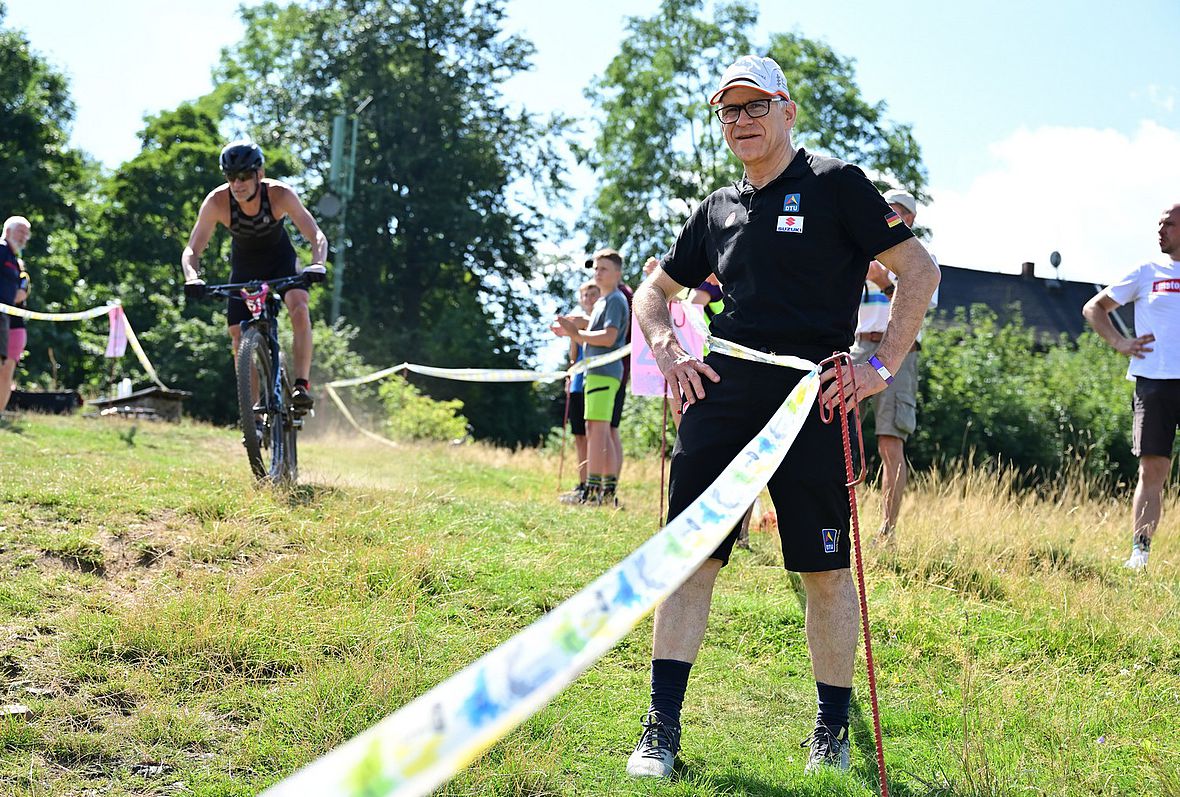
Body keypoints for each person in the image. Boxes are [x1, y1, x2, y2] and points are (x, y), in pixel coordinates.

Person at [626, 55, 939, 778]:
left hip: (814, 396)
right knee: (692, 558)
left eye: (753, 107)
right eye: (728, 111)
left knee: (824, 569)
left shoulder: (837, 185)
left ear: (787, 109)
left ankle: (830, 730)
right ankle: (660, 728)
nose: (740, 121)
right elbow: (653, 292)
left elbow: (919, 272)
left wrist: (879, 367)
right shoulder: (716, 209)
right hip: (723, 392)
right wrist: (672, 351)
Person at [181, 141, 328, 410]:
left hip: (280, 260)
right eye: (230, 177)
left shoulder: (279, 194)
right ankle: (254, 414)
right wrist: (192, 277)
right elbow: (192, 249)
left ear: (259, 174)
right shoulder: (217, 201)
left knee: (299, 306)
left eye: (244, 176)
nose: (237, 184)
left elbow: (315, 235)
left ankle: (301, 385)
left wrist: (317, 264)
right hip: (245, 266)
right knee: (238, 335)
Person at [1082, 203, 1180, 570]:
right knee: (1152, 470)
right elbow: (1094, 308)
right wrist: (1121, 343)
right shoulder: (1145, 272)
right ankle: (1140, 553)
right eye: (1159, 224)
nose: (1161, 230)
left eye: (1169, 224)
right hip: (1153, 382)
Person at [851, 190, 938, 544]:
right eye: (887, 210)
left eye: (898, 213)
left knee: (890, 440)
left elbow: (920, 308)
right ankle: (839, 517)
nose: (890, 217)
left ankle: (887, 531)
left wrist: (887, 284)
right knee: (840, 434)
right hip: (857, 345)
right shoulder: (860, 252)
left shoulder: (923, 259)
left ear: (911, 220)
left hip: (899, 352)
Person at [556, 249, 630, 505]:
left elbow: (609, 337)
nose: (597, 273)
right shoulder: (603, 301)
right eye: (596, 269)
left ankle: (595, 492)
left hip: (604, 373)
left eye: (604, 269)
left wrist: (575, 334)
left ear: (618, 274)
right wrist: (576, 326)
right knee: (596, 430)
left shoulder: (615, 300)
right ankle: (603, 493)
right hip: (597, 373)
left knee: (597, 432)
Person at [553, 279, 601, 503]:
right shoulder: (577, 321)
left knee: (594, 435)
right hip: (577, 384)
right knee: (579, 436)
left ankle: (595, 483)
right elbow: (574, 356)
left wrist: (583, 326)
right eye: (585, 295)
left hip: (595, 382)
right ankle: (581, 483)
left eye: (593, 294)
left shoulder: (599, 319)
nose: (589, 299)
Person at [0, 216, 32, 414]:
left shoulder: (16, 262)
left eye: (27, 234)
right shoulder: (1, 250)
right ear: (8, 230)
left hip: (9, 320)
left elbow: (20, 297)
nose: (24, 237)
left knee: (5, 370)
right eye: (21, 231)